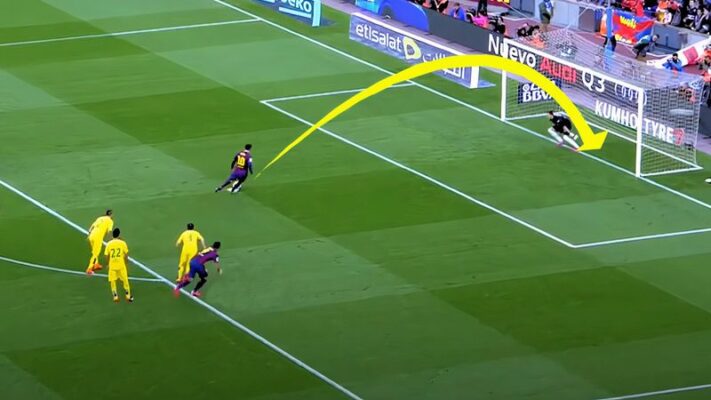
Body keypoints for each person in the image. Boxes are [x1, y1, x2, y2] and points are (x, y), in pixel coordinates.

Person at [104, 228, 132, 303]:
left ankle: (115, 296)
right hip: (121, 265)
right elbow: (126, 254)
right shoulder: (123, 243)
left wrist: (107, 264)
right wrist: (126, 262)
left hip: (112, 265)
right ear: (119, 234)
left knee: (112, 281)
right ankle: (128, 295)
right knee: (125, 280)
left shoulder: (109, 244)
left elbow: (106, 255)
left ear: (112, 235)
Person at [86, 209, 113, 275]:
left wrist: (89, 234)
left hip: (91, 236)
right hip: (97, 238)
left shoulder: (99, 218)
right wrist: (109, 239)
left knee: (94, 251)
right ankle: (89, 269)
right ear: (111, 215)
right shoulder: (110, 221)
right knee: (95, 254)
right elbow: (109, 231)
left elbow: (92, 226)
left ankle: (96, 264)